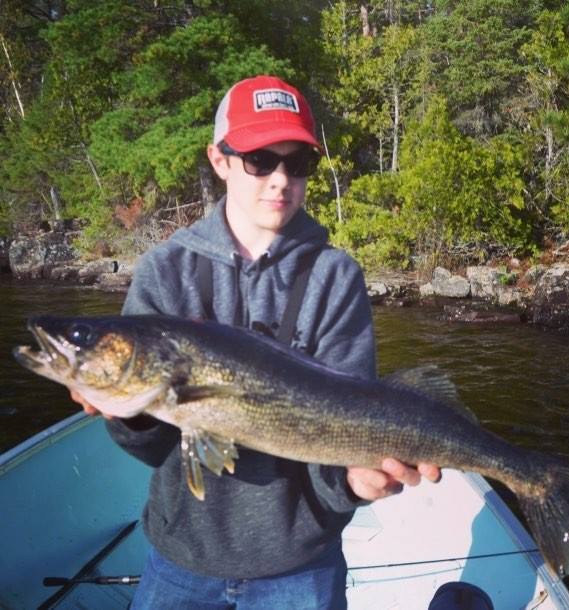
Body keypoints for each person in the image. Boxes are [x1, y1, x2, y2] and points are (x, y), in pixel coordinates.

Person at [73, 75, 440, 610]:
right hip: (182, 557)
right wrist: (127, 415)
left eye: (298, 163)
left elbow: (346, 429)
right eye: (259, 160)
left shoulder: (336, 278)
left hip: (301, 565)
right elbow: (153, 450)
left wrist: (358, 485)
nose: (280, 180)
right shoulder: (164, 272)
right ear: (219, 160)